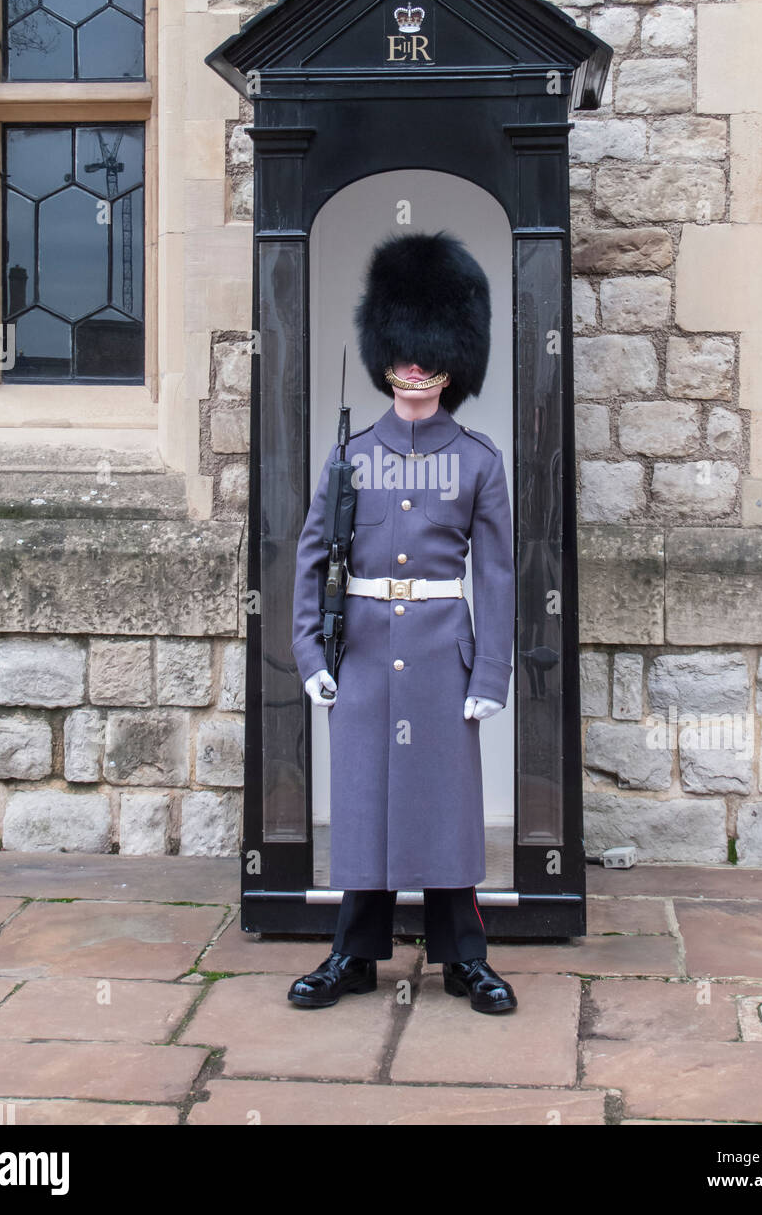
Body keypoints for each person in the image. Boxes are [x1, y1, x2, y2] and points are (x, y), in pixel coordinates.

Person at [288, 230, 517, 1015]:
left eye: (429, 353)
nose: (415, 367)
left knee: (445, 809)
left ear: (453, 361)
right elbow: (314, 555)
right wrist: (309, 648)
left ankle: (463, 959)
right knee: (362, 803)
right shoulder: (349, 455)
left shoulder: (480, 461)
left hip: (439, 650)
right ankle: (352, 955)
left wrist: (492, 674)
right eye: (404, 351)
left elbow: (495, 574)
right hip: (361, 648)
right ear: (386, 353)